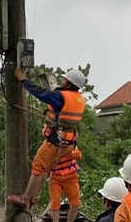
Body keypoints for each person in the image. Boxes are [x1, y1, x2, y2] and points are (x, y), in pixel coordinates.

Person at [7, 66, 86, 210]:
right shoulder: (79, 99)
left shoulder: (60, 96)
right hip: (69, 143)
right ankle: (32, 197)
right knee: (45, 168)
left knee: (38, 167)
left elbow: (39, 93)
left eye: (64, 79)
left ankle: (25, 198)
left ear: (68, 83)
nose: (62, 81)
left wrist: (22, 79)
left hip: (56, 142)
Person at [47, 147, 82, 222]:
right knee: (55, 203)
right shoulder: (50, 145)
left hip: (71, 177)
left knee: (75, 203)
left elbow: (78, 155)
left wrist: (66, 152)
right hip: (55, 178)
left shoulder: (71, 145)